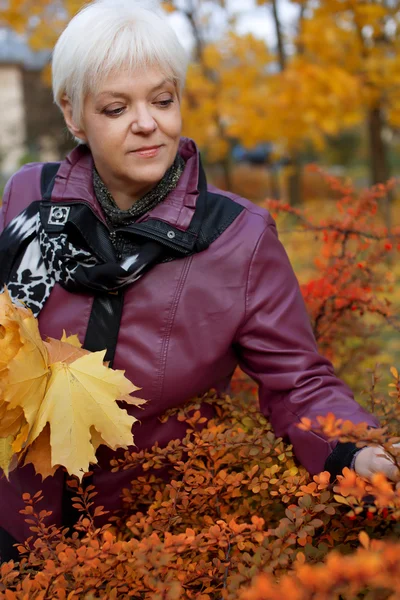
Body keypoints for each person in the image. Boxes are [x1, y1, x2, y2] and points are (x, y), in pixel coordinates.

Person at [0, 0, 397, 563]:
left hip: (153, 546)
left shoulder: (238, 237)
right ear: (73, 114)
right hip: (13, 523)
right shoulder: (28, 200)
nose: (147, 122)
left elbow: (298, 380)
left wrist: (356, 450)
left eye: (162, 99)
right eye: (116, 107)